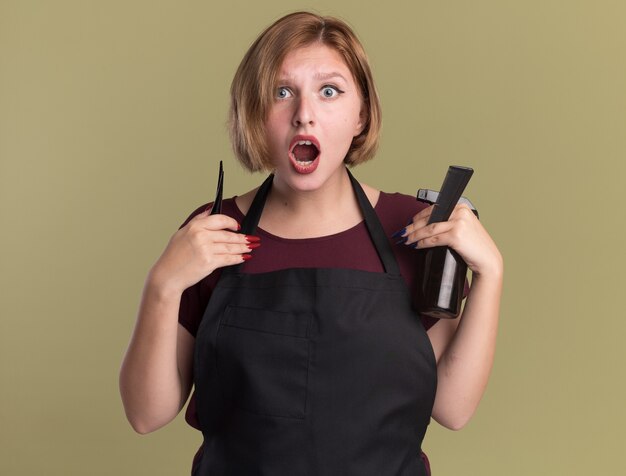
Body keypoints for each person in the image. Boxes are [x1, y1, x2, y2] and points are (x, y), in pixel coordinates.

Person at [119, 11, 503, 476]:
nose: (305, 113)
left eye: (329, 91)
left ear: (361, 114)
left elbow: (453, 409)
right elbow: (146, 414)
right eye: (282, 93)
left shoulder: (414, 228)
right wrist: (162, 285)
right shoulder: (213, 232)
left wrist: (490, 274)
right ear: (256, 114)